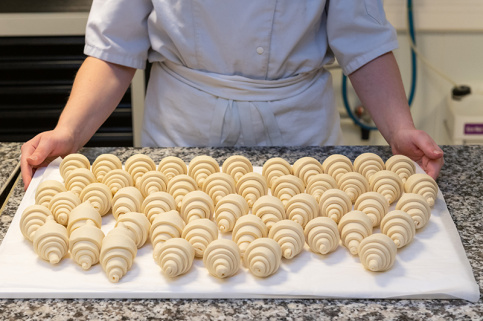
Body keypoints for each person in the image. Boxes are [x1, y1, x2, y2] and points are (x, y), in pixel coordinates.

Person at [20, 0, 444, 190]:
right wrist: (69, 133)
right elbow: (114, 49)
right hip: (182, 140)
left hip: (299, 143)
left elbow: (363, 41)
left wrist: (399, 130)